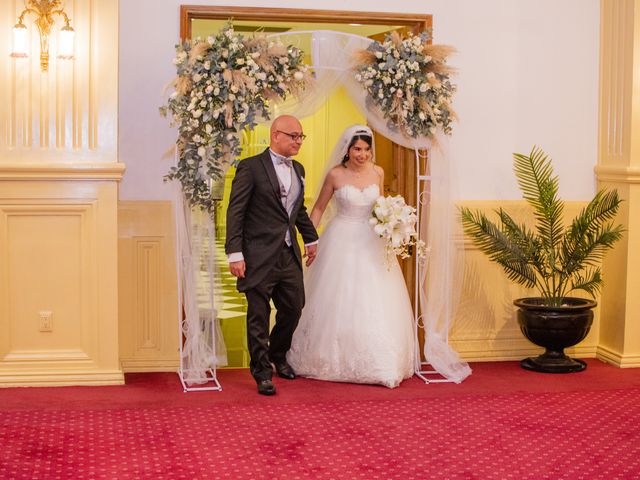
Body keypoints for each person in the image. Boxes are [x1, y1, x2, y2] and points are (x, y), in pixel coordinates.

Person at [287, 125, 415, 388]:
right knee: (338, 296)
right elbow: (320, 208)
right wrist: (310, 238)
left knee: (374, 298)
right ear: (347, 150)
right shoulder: (336, 174)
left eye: (367, 149)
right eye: (357, 149)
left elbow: (380, 206)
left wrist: (392, 222)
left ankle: (381, 361)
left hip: (371, 240)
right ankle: (328, 358)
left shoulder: (378, 172)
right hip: (341, 238)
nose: (363, 154)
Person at [226, 115, 319, 396]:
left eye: (301, 136)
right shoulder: (251, 167)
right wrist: (234, 252)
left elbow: (297, 209)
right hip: (257, 254)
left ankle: (278, 355)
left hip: (287, 253)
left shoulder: (298, 168)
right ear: (275, 135)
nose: (298, 141)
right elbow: (236, 211)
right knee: (258, 314)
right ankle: (262, 372)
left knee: (294, 307)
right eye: (293, 136)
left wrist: (311, 237)